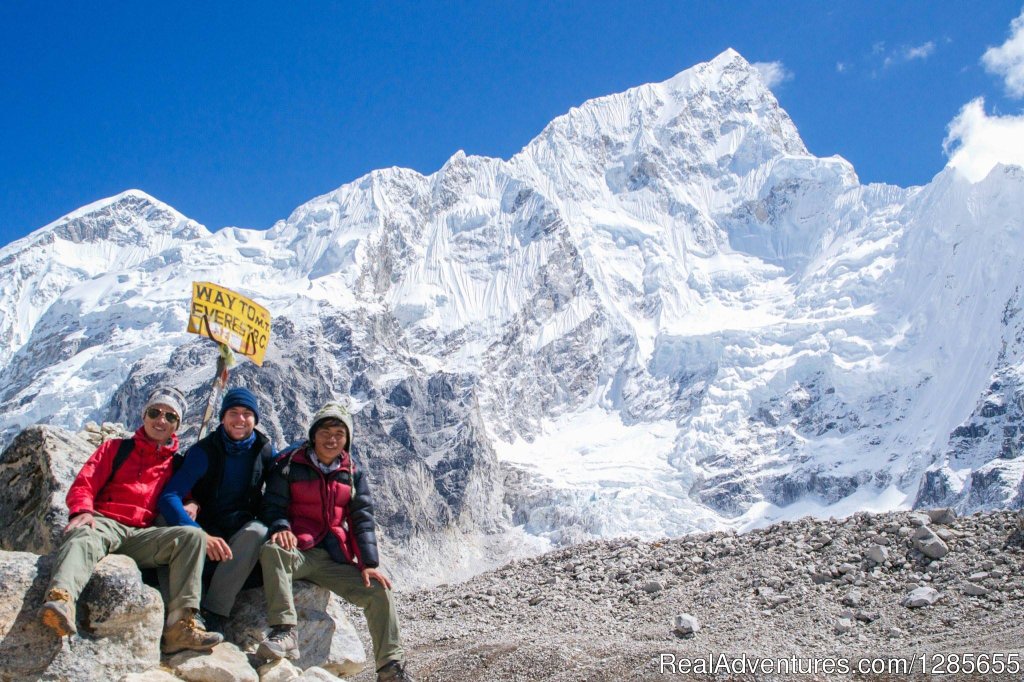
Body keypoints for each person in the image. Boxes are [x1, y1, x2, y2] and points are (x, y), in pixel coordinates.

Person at [39, 386, 223, 654]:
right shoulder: (116, 448)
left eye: (170, 417)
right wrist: (82, 510)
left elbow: (185, 495)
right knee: (82, 534)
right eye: (155, 412)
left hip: (143, 534)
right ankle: (61, 599)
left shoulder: (176, 464)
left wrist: (193, 503)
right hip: (106, 522)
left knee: (192, 536)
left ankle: (180, 626)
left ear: (177, 426)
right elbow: (84, 484)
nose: (161, 420)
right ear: (144, 415)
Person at [257, 402, 412, 682]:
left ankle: (390, 668)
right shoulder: (290, 464)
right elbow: (272, 505)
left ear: (347, 439)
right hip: (300, 549)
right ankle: (284, 631)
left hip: (333, 555)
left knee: (378, 590)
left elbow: (361, 519)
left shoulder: (352, 473)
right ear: (313, 435)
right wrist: (281, 527)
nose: (332, 439)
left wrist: (368, 563)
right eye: (326, 431)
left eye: (339, 433)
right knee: (272, 551)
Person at [158, 386, 275, 635]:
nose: (240, 420)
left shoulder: (263, 450)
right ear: (222, 417)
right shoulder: (204, 451)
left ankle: (215, 611)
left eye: (247, 413)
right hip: (205, 525)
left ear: (255, 419)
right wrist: (199, 534)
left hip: (238, 527)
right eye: (233, 412)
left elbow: (278, 489)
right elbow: (169, 497)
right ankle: (189, 611)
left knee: (258, 532)